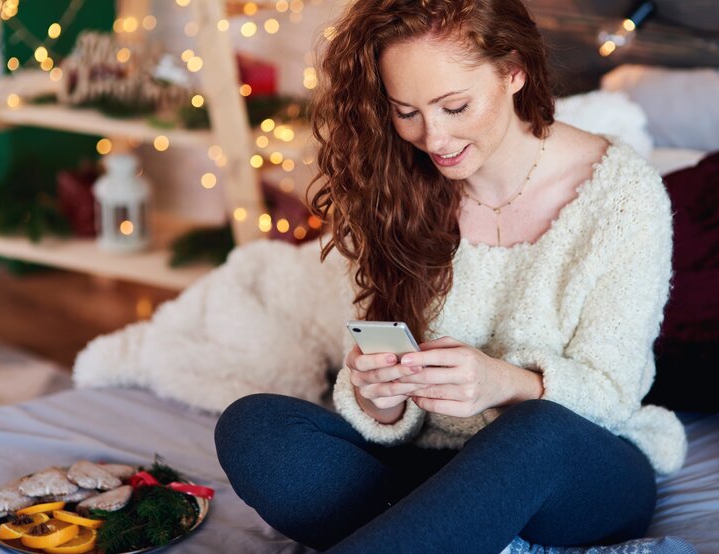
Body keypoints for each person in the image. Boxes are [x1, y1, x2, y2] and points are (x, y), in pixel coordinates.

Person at [214, 1, 687, 552]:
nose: (433, 138)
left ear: (514, 71)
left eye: (454, 106)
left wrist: (504, 384)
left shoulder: (624, 196)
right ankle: (457, 532)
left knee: (535, 430)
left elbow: (613, 392)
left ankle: (441, 529)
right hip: (432, 469)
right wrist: (379, 397)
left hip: (572, 472)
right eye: (406, 111)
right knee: (256, 429)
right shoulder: (400, 187)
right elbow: (396, 403)